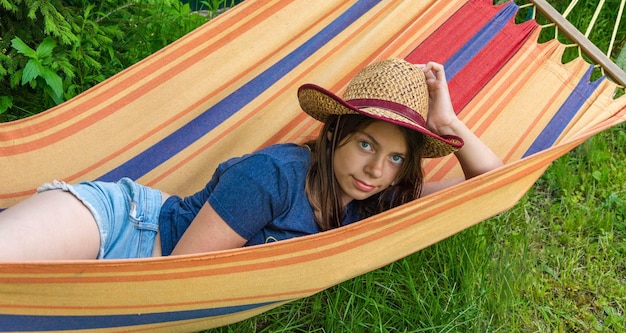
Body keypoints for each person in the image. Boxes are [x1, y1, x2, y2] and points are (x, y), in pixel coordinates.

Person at [0, 58, 502, 261]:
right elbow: (182, 275)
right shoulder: (273, 177)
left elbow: (491, 186)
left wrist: (450, 126)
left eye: (395, 158)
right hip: (122, 225)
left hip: (148, 264)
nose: (376, 170)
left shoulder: (375, 198)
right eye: (366, 144)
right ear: (334, 135)